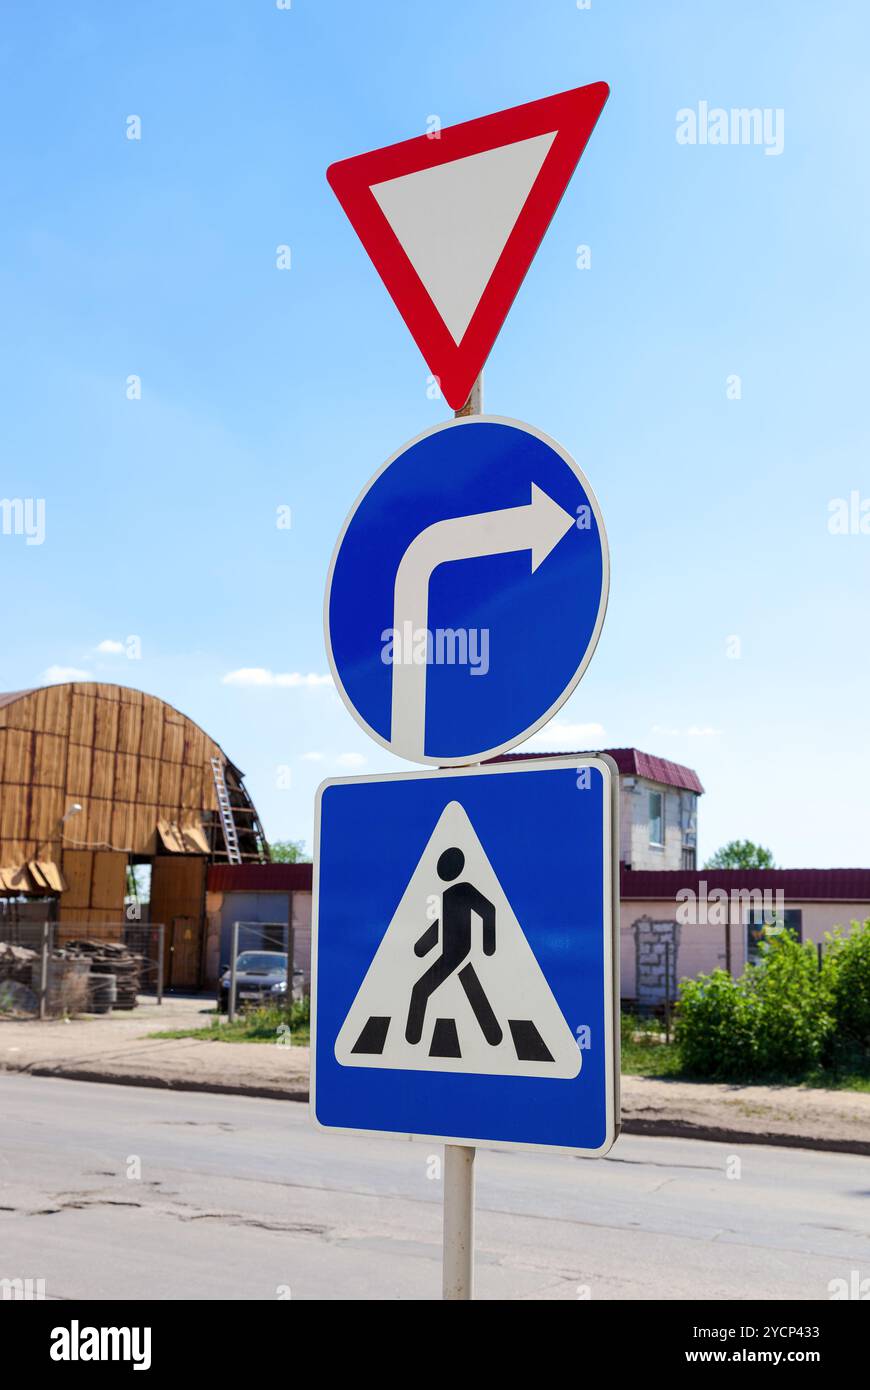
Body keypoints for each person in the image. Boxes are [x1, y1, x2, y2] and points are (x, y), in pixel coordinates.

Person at [405, 846, 502, 1046]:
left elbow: (488, 910)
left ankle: (411, 1040)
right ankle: (496, 1039)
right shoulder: (448, 894)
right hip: (452, 951)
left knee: (420, 990)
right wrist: (422, 947)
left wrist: (488, 945)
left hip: (458, 951)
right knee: (472, 990)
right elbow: (441, 924)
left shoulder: (464, 889)